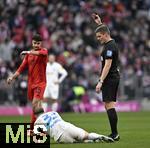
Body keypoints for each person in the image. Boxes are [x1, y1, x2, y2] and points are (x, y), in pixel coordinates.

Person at [7, 34, 48, 133]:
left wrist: (28, 52)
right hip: (31, 84)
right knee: (37, 107)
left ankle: (32, 129)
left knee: (35, 104)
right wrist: (12, 77)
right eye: (35, 43)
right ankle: (42, 127)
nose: (36, 45)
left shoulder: (44, 51)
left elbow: (41, 53)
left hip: (40, 83)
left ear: (41, 43)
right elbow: (20, 69)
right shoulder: (28, 56)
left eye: (38, 43)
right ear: (32, 42)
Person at [92, 13, 120, 141]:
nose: (98, 38)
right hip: (112, 77)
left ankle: (115, 133)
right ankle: (114, 132)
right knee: (108, 105)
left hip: (110, 78)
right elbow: (104, 29)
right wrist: (100, 23)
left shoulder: (109, 47)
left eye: (99, 36)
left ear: (105, 35)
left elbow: (107, 65)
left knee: (109, 105)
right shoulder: (110, 43)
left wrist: (100, 81)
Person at [33, 107, 114, 143]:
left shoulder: (38, 121)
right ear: (43, 111)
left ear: (35, 115)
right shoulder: (53, 112)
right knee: (87, 135)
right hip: (68, 126)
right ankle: (99, 137)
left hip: (60, 136)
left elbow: (40, 138)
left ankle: (90, 141)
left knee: (78, 142)